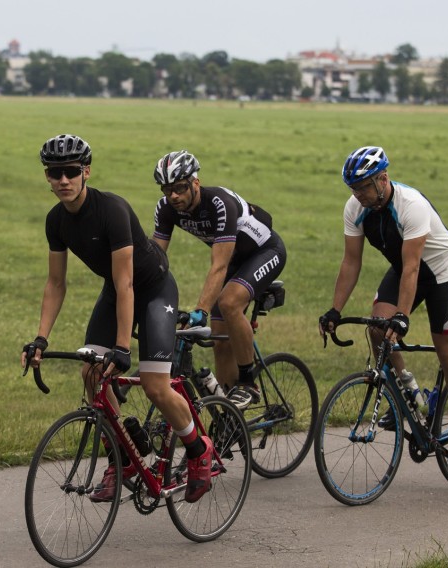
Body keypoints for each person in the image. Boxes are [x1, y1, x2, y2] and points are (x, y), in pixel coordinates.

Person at [21, 134, 212, 503]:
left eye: (71, 172)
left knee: (156, 385)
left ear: (86, 172)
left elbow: (127, 284)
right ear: (47, 176)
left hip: (153, 290)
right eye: (55, 173)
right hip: (116, 291)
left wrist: (123, 347)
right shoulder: (56, 221)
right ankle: (121, 459)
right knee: (92, 372)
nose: (63, 180)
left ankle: (197, 447)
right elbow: (56, 283)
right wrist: (40, 339)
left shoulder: (112, 210)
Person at [318, 145, 448, 464]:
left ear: (383, 179)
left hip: (441, 271)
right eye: (353, 188)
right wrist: (335, 309)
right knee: (378, 328)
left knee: (447, 351)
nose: (358, 194)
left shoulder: (411, 206)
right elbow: (351, 262)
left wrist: (403, 317)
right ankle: (409, 392)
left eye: (364, 186)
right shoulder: (355, 208)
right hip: (405, 268)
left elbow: (415, 268)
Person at [151, 150, 286, 410]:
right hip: (237, 259)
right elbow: (155, 260)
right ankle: (229, 414)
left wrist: (200, 309)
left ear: (195, 183)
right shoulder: (166, 208)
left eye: (180, 188)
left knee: (228, 303)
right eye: (167, 190)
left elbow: (219, 266)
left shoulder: (219, 203)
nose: (174, 196)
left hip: (265, 251)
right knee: (219, 341)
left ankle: (248, 384)